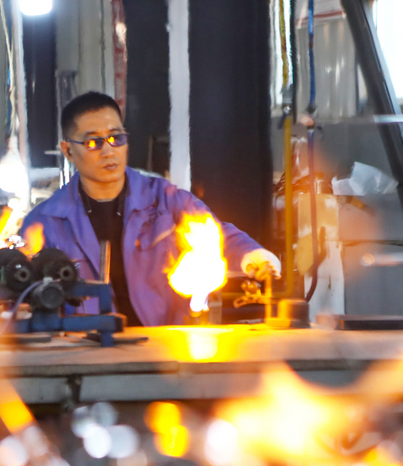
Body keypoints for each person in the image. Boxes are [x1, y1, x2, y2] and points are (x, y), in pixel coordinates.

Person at [20, 92, 281, 327]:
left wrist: (255, 258)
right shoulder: (46, 223)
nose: (109, 151)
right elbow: (20, 290)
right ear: (67, 150)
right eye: (93, 143)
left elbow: (219, 236)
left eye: (116, 138)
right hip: (87, 354)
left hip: (167, 346)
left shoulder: (165, 200)